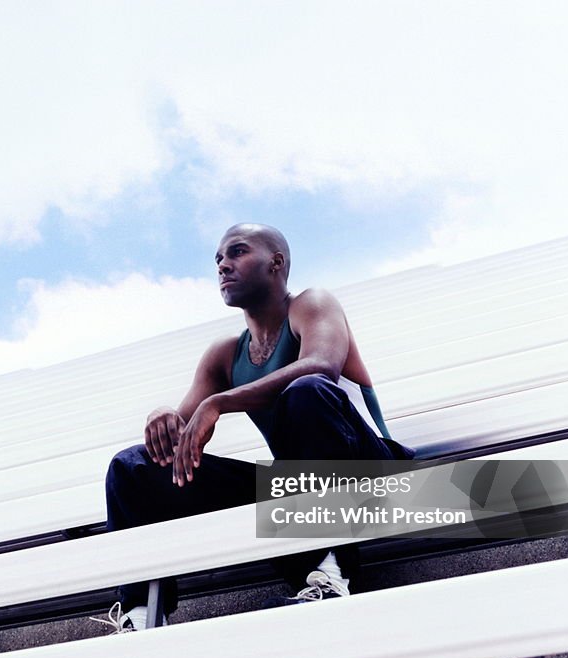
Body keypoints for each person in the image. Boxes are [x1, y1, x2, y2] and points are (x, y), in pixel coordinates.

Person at [94, 223, 414, 633]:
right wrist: (163, 415)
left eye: (237, 252)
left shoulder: (311, 305)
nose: (223, 265)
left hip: (374, 474)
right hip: (301, 488)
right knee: (133, 467)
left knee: (307, 391)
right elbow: (177, 443)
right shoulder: (226, 353)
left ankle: (331, 574)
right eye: (218, 260)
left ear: (276, 263)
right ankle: (140, 614)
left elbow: (322, 365)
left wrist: (221, 401)